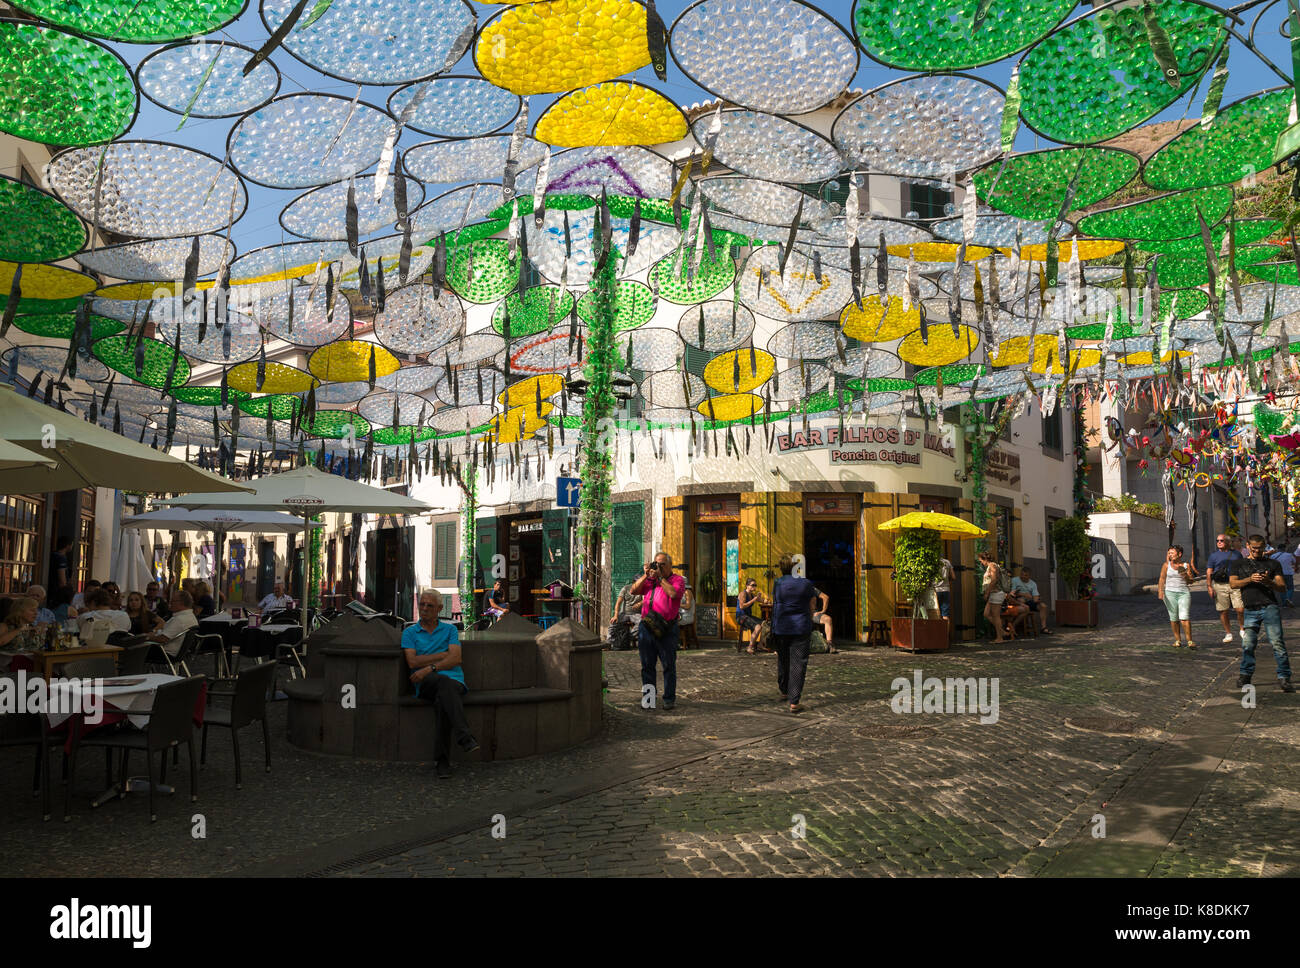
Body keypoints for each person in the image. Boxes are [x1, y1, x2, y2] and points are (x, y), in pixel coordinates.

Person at [403, 589, 479, 778]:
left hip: (451, 681)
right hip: (426, 684)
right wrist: (442, 656)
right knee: (444, 684)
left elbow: (456, 658)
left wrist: (429, 667)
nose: (425, 608)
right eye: (422, 604)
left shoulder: (450, 630)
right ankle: (464, 736)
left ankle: (442, 762)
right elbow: (412, 662)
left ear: (439, 608)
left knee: (443, 697)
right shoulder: (410, 632)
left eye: (430, 605)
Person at [1229, 535, 1294, 692]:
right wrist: (1250, 579)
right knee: (1248, 645)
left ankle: (1284, 677)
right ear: (1248, 546)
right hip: (1250, 608)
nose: (1257, 550)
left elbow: (1282, 587)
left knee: (1277, 643)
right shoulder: (1239, 563)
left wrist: (1268, 582)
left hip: (1270, 606)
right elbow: (1233, 583)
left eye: (1260, 547)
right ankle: (1245, 675)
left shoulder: (1273, 563)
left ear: (1265, 546)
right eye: (1254, 547)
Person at [630, 551, 686, 711]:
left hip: (667, 628)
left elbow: (673, 594)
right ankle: (648, 700)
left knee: (668, 665)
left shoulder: (678, 580)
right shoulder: (650, 580)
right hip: (647, 628)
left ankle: (669, 699)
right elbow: (633, 591)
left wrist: (660, 577)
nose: (659, 567)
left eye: (662, 564)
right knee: (647, 666)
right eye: (657, 564)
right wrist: (646, 574)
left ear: (670, 565)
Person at [770, 554, 818, 714]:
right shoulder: (805, 583)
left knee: (783, 660)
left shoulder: (777, 583)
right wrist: (809, 616)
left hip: (781, 627)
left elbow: (776, 602)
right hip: (800, 627)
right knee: (798, 663)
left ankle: (784, 690)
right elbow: (812, 603)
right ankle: (794, 702)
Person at [1158, 545, 1199, 649]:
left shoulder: (1186, 565)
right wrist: (1160, 591)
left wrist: (1185, 575)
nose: (1170, 555)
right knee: (1174, 618)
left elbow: (1191, 581)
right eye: (1169, 553)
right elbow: (1162, 579)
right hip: (1169, 593)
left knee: (1184, 617)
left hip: (1183, 593)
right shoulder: (1166, 565)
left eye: (1172, 553)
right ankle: (1178, 640)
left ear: (1179, 554)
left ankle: (1190, 641)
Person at [1206, 533, 1244, 643]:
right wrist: (1209, 586)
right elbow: (1209, 571)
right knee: (1223, 611)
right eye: (1217, 540)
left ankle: (1242, 629)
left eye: (1221, 540)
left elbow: (1242, 568)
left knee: (1240, 609)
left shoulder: (1237, 554)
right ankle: (1228, 633)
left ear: (1228, 542)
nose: (1219, 542)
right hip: (1219, 585)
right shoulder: (1213, 556)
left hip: (1235, 584)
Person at [147, 590, 199, 656]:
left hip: (164, 653)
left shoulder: (180, 620)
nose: (169, 603)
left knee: (134, 650)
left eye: (172, 601)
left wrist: (147, 637)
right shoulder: (190, 616)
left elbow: (162, 639)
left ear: (181, 603)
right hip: (178, 653)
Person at [978, 551, 1008, 643]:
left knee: (995, 616)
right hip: (993, 594)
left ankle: (1000, 638)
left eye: (981, 560)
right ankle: (1002, 632)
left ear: (985, 559)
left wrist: (987, 592)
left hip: (996, 593)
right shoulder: (991, 566)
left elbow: (994, 580)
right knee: (986, 614)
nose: (980, 563)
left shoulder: (992, 566)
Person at [1010, 567, 1051, 634]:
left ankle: (1043, 628)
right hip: (1018, 600)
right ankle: (1014, 626)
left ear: (1029, 576)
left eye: (1025, 575)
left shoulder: (1033, 584)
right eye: (1022, 574)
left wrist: (1037, 599)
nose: (1023, 576)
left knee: (1043, 606)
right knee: (1022, 600)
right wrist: (1023, 594)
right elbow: (1012, 593)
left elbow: (1035, 597)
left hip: (1029, 601)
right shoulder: (1015, 580)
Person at [735, 578, 767, 654]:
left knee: (765, 623)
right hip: (741, 617)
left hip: (748, 616)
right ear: (747, 585)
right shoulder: (743, 594)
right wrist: (754, 599)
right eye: (752, 585)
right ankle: (749, 647)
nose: (754, 587)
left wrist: (765, 600)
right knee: (758, 627)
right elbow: (742, 606)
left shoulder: (752, 595)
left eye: (755, 585)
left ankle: (760, 645)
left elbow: (761, 600)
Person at [811, 586, 835, 653]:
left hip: (812, 613)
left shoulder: (810, 588)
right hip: (799, 615)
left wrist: (823, 611)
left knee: (828, 619)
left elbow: (825, 597)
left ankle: (830, 644)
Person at [935, 556, 955, 629]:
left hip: (936, 590)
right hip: (946, 590)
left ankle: (937, 636)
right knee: (945, 615)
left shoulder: (933, 562)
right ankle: (945, 637)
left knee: (936, 614)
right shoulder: (947, 562)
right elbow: (953, 577)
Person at [678, 583, 699, 650]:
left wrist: (678, 605)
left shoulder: (687, 592)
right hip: (681, 615)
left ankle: (678, 643)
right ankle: (677, 643)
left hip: (687, 616)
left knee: (670, 623)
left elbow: (688, 606)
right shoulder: (681, 592)